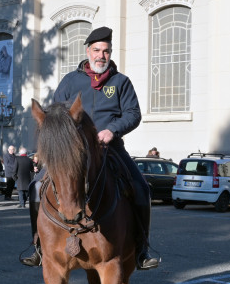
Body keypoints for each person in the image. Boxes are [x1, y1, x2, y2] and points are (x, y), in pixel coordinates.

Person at [20, 26, 159, 270]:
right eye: (96, 50)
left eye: (106, 51)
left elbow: (133, 114)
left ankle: (142, 249)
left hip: (110, 149)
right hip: (71, 152)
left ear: (110, 53)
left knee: (141, 188)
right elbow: (55, 115)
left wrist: (112, 130)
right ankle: (37, 246)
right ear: (88, 51)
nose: (101, 56)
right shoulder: (70, 81)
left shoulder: (121, 82)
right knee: (35, 187)